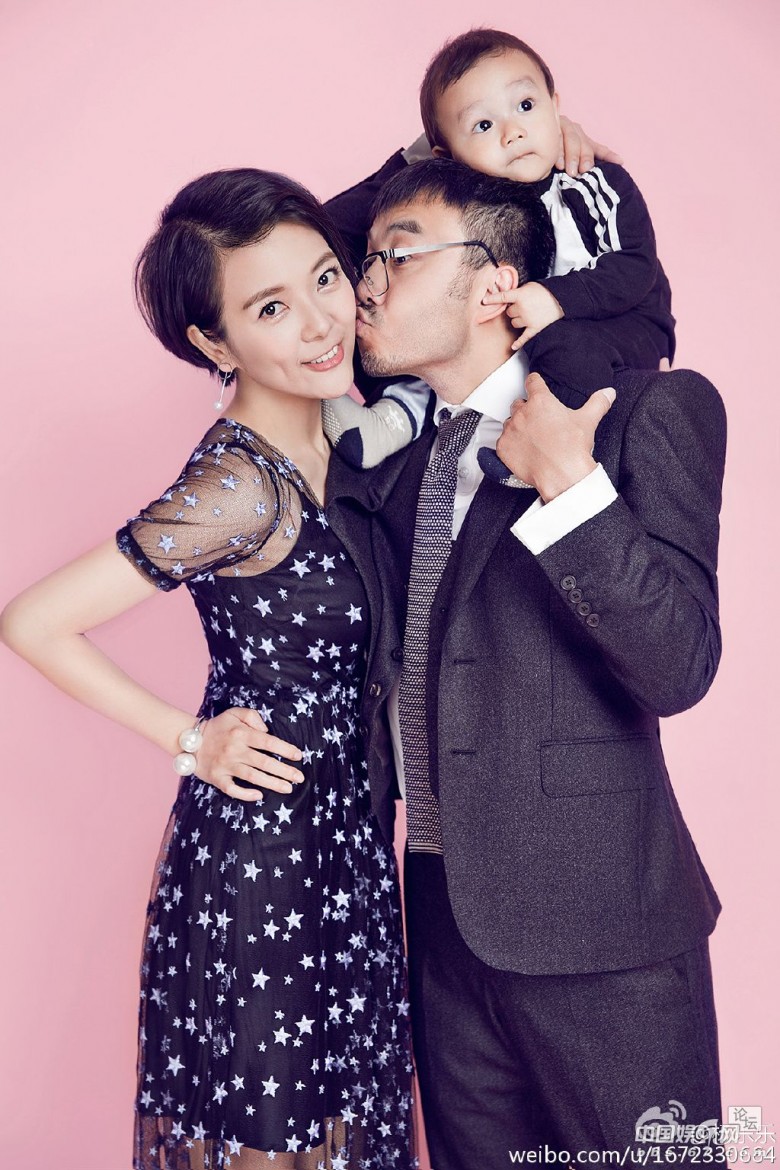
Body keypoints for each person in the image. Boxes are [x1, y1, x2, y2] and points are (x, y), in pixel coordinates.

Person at [0, 168, 415, 1170]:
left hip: (348, 855)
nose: (320, 322)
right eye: (270, 308)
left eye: (325, 278)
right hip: (263, 869)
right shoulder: (238, 485)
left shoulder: (349, 438)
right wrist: (189, 743)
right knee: (270, 1151)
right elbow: (33, 621)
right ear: (214, 344)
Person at [325, 157, 725, 1166]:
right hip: (439, 925)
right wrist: (424, 148)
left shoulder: (640, 414)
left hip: (603, 935)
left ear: (496, 284)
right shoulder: (393, 461)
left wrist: (571, 487)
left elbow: (678, 666)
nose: (365, 285)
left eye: (396, 257)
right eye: (364, 262)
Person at [323, 28, 674, 484]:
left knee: (558, 342)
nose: (514, 133)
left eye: (526, 106)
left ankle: (540, 448)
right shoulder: (477, 207)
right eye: (484, 126)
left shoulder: (590, 181)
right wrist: (427, 158)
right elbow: (326, 232)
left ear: (556, 106)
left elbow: (636, 267)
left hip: (627, 319)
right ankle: (393, 420)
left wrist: (556, 298)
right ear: (445, 157)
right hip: (534, 330)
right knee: (440, 326)